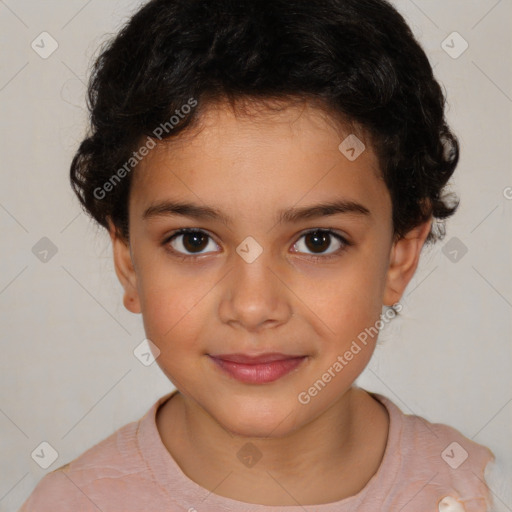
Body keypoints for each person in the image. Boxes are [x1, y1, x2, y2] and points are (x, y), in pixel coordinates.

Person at [19, 0, 502, 510]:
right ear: (128, 261)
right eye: (193, 240)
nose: (252, 307)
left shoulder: (482, 492)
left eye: (318, 240)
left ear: (399, 256)